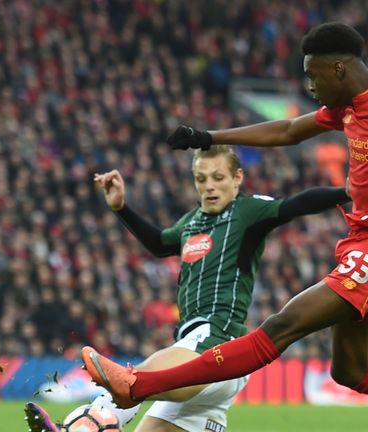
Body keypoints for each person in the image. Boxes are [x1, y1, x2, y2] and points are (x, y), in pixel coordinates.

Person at [82, 22, 368, 432]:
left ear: (338, 67)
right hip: (362, 241)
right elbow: (288, 130)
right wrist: (207, 137)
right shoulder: (348, 106)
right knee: (351, 370)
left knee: (283, 325)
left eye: (311, 74)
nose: (310, 85)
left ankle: (138, 386)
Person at [25, 145, 350, 432]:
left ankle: (83, 426)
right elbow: (158, 243)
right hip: (198, 359)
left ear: (237, 178)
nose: (209, 186)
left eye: (219, 177)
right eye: (202, 178)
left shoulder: (248, 211)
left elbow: (296, 204)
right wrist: (121, 208)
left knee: (133, 382)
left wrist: (345, 191)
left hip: (217, 342)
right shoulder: (191, 222)